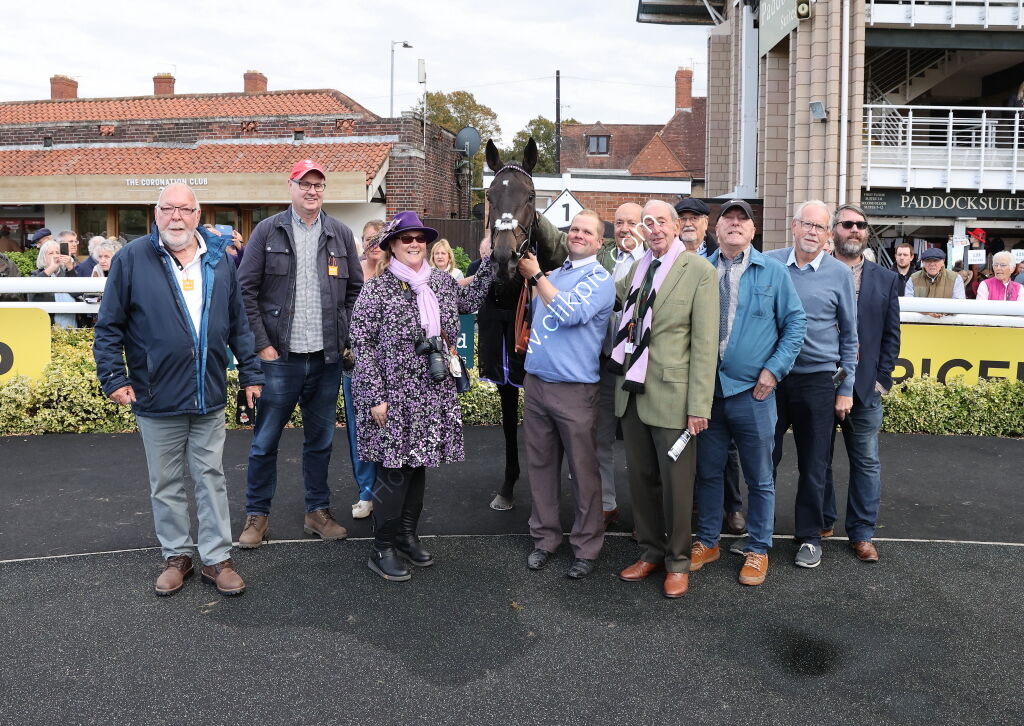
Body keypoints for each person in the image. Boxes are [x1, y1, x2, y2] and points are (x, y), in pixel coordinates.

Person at [92, 183, 264, 597]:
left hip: (207, 394)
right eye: (167, 209)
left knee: (211, 477)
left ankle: (216, 558)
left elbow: (238, 322)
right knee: (165, 482)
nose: (175, 217)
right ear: (155, 214)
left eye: (184, 210)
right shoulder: (133, 258)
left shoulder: (220, 258)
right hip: (155, 395)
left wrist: (251, 374)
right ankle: (177, 556)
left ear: (197, 213)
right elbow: (108, 325)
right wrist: (114, 378)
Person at [350, 211, 495, 582]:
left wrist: (495, 255)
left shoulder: (442, 283)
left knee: (416, 467)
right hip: (392, 394)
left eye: (419, 238)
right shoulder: (377, 289)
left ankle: (406, 534)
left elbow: (475, 296)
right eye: (405, 238)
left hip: (432, 391)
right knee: (393, 470)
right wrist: (374, 396)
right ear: (391, 246)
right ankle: (382, 546)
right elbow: (361, 345)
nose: (414, 243)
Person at [236, 159, 363, 548]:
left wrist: (345, 338)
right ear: (290, 187)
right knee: (264, 442)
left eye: (318, 185)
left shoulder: (339, 234)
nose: (312, 191)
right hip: (280, 360)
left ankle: (316, 512)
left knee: (321, 441)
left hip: (325, 359)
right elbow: (245, 291)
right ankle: (257, 516)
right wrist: (263, 346)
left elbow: (356, 291)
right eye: (304, 184)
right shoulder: (267, 230)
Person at [690, 199, 806, 586]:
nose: (736, 225)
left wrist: (773, 372)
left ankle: (758, 548)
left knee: (759, 476)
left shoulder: (772, 272)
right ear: (717, 229)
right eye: (728, 219)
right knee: (707, 472)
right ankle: (707, 541)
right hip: (708, 394)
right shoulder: (699, 269)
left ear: (753, 231)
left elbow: (795, 324)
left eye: (743, 220)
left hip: (753, 395)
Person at [612, 199, 718, 598]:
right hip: (633, 393)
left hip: (674, 397)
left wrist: (698, 407)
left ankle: (677, 561)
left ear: (677, 227)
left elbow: (705, 345)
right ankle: (650, 552)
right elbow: (613, 298)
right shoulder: (639, 267)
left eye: (660, 222)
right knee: (641, 479)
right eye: (647, 222)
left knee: (676, 485)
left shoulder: (699, 271)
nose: (653, 228)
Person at [517, 210, 615, 579]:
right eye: (573, 228)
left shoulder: (600, 279)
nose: (577, 235)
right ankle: (545, 539)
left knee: (583, 471)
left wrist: (537, 276)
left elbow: (571, 312)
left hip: (575, 389)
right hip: (538, 384)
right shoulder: (554, 275)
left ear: (598, 242)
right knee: (541, 468)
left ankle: (587, 547)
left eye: (587, 231)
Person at [766, 200, 858, 569]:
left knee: (814, 463)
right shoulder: (769, 263)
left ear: (828, 234)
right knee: (763, 459)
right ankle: (760, 533)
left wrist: (846, 386)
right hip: (770, 378)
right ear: (793, 225)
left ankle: (808, 537)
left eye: (820, 228)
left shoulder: (839, 274)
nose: (812, 232)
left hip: (819, 381)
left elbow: (850, 337)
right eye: (807, 224)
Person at [823, 204, 901, 563]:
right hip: (820, 382)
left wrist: (880, 381)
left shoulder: (885, 279)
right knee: (817, 458)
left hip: (865, 389)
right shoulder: (817, 271)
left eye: (861, 225)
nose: (854, 230)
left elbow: (891, 336)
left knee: (866, 462)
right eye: (847, 224)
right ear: (833, 231)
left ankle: (862, 533)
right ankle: (821, 521)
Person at [677, 197, 745, 535]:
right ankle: (687, 503)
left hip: (715, 366)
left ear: (708, 225)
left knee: (722, 441)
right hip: (678, 364)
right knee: (680, 436)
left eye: (695, 218)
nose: (688, 223)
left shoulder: (716, 261)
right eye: (683, 218)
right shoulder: (669, 261)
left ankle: (732, 506)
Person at [349, 218, 386, 521]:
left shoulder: (397, 275)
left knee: (388, 432)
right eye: (368, 238)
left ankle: (386, 492)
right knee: (359, 432)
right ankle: (365, 493)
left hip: (391, 370)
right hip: (356, 366)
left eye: (379, 238)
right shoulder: (351, 274)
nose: (373, 243)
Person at [28, 238, 78, 328]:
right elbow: (32, 290)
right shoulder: (35, 275)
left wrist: (70, 268)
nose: (55, 256)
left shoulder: (67, 273)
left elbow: (78, 292)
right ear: (43, 257)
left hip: (72, 328)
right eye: (51, 253)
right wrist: (51, 268)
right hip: (46, 328)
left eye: (57, 252)